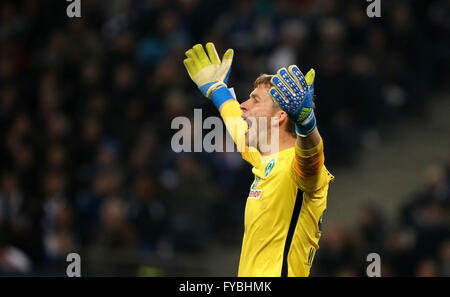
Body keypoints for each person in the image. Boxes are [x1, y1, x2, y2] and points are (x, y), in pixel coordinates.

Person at [183, 43, 334, 277]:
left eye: (254, 100)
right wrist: (217, 89)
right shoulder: (265, 157)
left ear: (280, 116)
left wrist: (306, 123)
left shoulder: (297, 165)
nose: (243, 105)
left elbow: (312, 157)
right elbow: (236, 122)